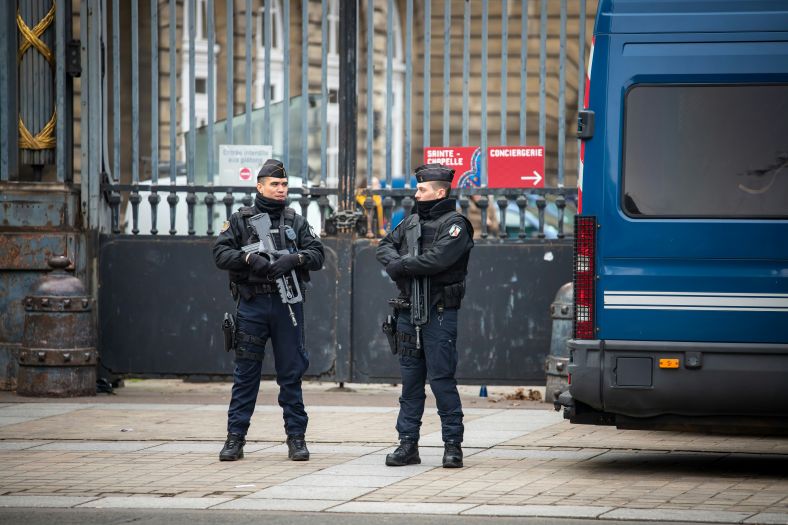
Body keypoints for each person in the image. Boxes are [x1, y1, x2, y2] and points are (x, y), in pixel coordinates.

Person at [213, 159, 325, 462]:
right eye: (274, 184)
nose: (280, 189)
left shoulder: (295, 220)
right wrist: (249, 260)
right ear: (259, 186)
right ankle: (235, 439)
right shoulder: (240, 220)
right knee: (246, 374)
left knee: (291, 373)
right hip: (252, 304)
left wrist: (295, 259)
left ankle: (296, 439)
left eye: (284, 185)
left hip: (287, 304)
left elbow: (318, 254)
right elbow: (220, 253)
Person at [375, 163, 475, 469]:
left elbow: (438, 259)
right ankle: (407, 445)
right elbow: (384, 246)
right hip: (408, 310)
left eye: (422, 188)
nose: (416, 192)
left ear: (440, 191)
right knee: (410, 382)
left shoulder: (456, 224)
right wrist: (397, 262)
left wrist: (401, 266)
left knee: (442, 378)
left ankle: (452, 445)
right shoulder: (411, 221)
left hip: (439, 311)